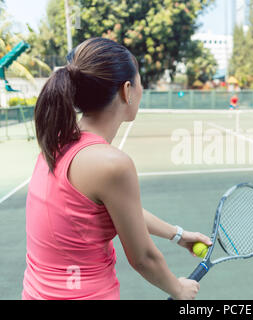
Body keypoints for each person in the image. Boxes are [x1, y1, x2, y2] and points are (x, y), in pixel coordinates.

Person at [22, 37, 211, 300]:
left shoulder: (55, 144)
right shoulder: (112, 164)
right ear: (127, 90)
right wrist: (179, 289)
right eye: (140, 81)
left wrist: (178, 235)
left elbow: (120, 210)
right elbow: (143, 258)